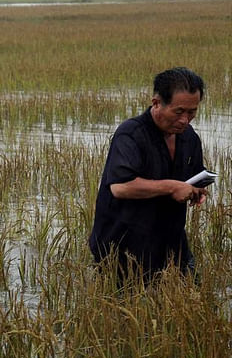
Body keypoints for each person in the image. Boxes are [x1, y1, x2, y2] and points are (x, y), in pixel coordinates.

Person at [89, 67, 209, 280]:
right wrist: (172, 187)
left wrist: (196, 191)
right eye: (179, 111)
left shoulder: (189, 137)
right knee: (128, 307)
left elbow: (193, 178)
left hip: (171, 239)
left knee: (193, 295)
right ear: (156, 103)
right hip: (123, 245)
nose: (185, 120)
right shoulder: (131, 134)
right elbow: (120, 187)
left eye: (192, 112)